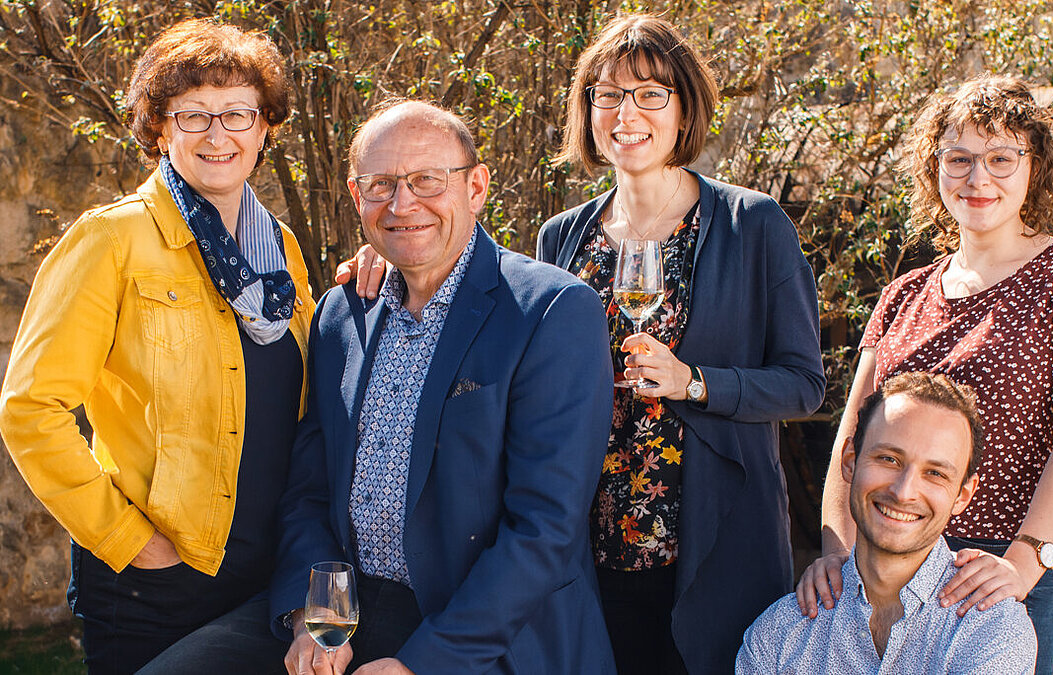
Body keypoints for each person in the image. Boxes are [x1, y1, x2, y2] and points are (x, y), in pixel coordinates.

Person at [0, 19, 313, 674]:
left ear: (264, 128)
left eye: (237, 113)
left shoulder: (281, 251)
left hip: (266, 574)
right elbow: (30, 409)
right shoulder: (111, 242)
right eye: (193, 115)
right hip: (155, 585)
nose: (217, 134)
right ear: (159, 128)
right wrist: (132, 539)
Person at [795, 75, 1053, 674]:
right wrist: (837, 554)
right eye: (960, 159)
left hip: (999, 566)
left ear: (1037, 168)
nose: (979, 178)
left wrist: (1026, 562)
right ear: (934, 168)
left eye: (1002, 158)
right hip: (884, 561)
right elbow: (851, 444)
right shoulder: (903, 295)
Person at [269, 99, 617, 675]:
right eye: (381, 185)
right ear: (358, 198)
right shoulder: (341, 314)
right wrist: (322, 620)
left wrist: (423, 664)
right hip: (352, 615)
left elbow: (546, 529)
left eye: (428, 180)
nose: (403, 204)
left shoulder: (550, 310)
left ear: (475, 187)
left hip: (487, 634)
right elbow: (311, 490)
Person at [536, 14, 826, 674]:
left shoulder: (752, 225)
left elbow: (804, 383)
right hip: (590, 545)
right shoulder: (561, 239)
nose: (625, 113)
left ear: (683, 106)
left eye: (649, 94)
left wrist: (694, 380)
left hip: (713, 544)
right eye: (607, 95)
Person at [737, 373, 1036, 674]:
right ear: (850, 460)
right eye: (889, 459)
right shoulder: (779, 634)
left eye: (935, 473)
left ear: (963, 495)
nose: (903, 492)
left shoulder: (994, 628)